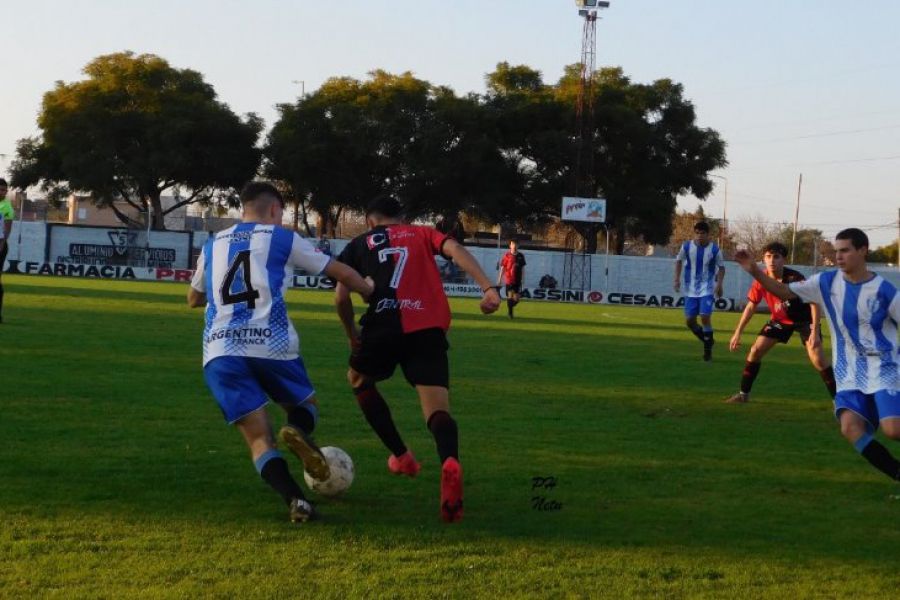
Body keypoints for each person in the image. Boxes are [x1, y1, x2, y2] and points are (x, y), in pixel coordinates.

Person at [188, 181, 373, 523]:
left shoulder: (213, 244)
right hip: (270, 342)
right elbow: (341, 272)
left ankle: (297, 502)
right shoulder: (281, 237)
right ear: (274, 209)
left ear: (243, 207)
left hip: (220, 350)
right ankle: (299, 430)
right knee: (305, 408)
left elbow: (193, 298)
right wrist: (368, 290)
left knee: (259, 439)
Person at [334, 196, 501, 523]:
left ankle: (402, 456)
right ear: (402, 217)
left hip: (382, 325)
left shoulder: (359, 243)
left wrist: (351, 332)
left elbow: (340, 296)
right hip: (427, 328)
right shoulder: (422, 234)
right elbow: (456, 250)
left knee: (358, 381)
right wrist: (488, 288)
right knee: (437, 410)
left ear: (370, 220)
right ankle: (450, 461)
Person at [734, 228, 900, 483]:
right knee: (850, 428)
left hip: (884, 368)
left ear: (863, 251)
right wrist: (755, 271)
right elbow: (786, 292)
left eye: (845, 250)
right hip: (849, 372)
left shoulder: (885, 291)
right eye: (836, 251)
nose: (838, 256)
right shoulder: (826, 282)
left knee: (893, 429)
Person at [725, 241, 836, 403]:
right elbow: (750, 307)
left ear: (784, 260)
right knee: (755, 350)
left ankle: (839, 401)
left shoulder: (795, 278)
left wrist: (814, 331)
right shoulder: (761, 280)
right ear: (763, 259)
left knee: (818, 359)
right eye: (768, 257)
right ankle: (743, 395)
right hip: (780, 321)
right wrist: (737, 333)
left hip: (805, 321)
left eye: (776, 257)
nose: (771, 261)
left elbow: (814, 301)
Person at [674, 221, 725, 361]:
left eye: (702, 233)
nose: (699, 236)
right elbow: (678, 261)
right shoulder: (686, 246)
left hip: (707, 288)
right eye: (697, 233)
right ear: (694, 233)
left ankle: (707, 353)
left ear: (708, 235)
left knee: (704, 316)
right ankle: (708, 340)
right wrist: (676, 279)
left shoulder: (715, 249)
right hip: (690, 289)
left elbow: (721, 268)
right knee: (690, 321)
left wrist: (719, 285)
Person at [498, 240, 526, 319]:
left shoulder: (521, 256)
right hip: (509, 280)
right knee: (510, 296)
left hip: (518, 281)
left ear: (518, 246)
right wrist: (500, 279)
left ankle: (510, 307)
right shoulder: (506, 255)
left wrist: (523, 279)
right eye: (513, 244)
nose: (514, 245)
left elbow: (523, 268)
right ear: (510, 246)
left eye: (516, 244)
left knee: (516, 299)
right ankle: (510, 313)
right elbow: (503, 267)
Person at [0, 178, 15, 324]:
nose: (2, 192)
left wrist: (0, 247)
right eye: (0, 189)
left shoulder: (7, 207)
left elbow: (6, 232)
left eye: (4, 190)